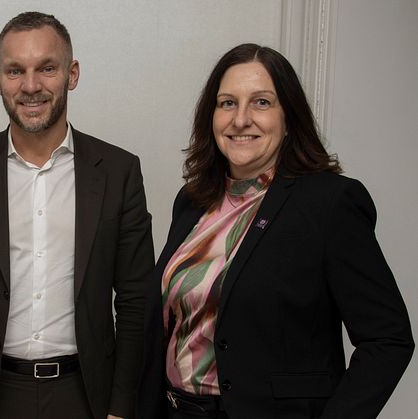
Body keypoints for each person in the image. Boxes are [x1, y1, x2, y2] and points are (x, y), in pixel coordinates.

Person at [136, 43, 414, 419]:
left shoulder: (330, 203)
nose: (240, 119)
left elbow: (388, 339)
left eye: (262, 103)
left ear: (289, 119)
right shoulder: (192, 201)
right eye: (227, 103)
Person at [0, 11, 154, 419]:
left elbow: (136, 301)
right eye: (15, 71)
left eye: (46, 68)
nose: (30, 86)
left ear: (72, 73)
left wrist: (120, 407)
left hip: (85, 396)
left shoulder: (118, 171)